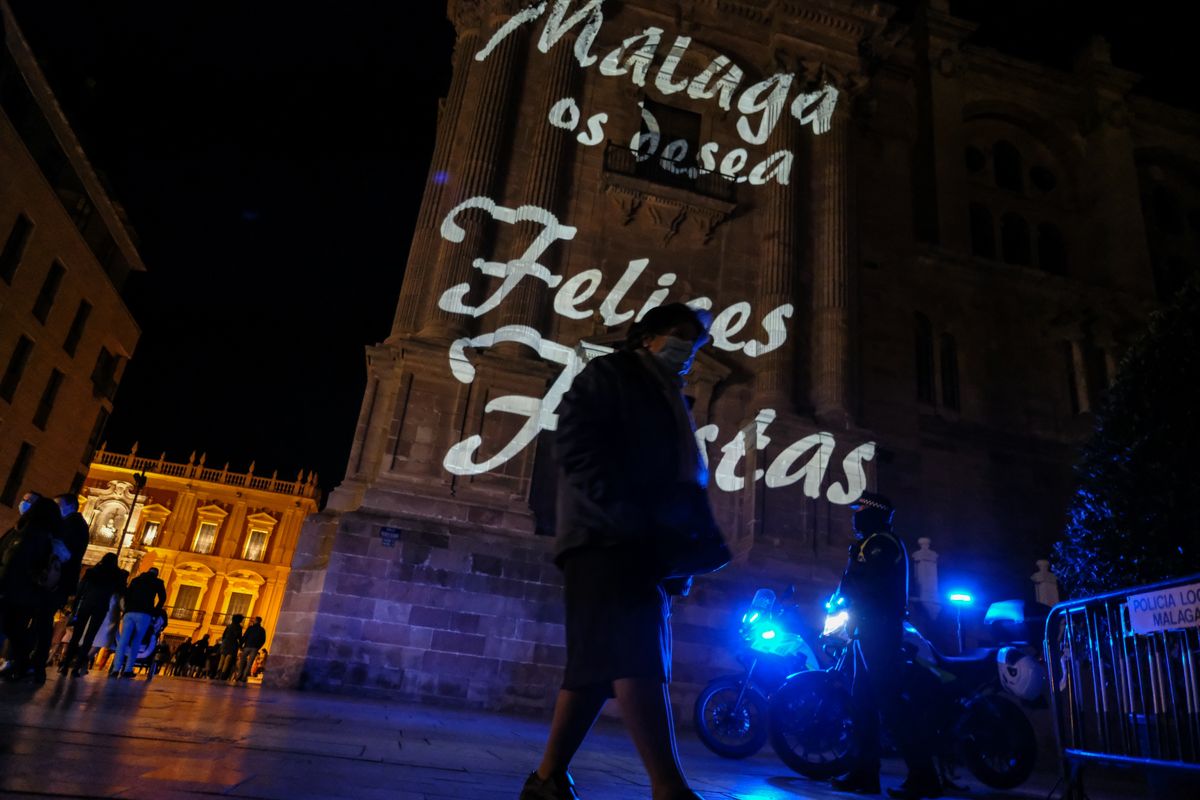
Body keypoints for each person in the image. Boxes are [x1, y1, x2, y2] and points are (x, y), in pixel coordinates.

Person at [521, 303, 716, 800]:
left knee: (597, 665)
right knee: (636, 657)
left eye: (694, 344)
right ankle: (668, 788)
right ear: (646, 336)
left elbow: (678, 481)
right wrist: (623, 515)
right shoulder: (610, 374)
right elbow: (576, 446)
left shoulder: (669, 396)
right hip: (605, 538)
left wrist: (681, 552)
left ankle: (548, 779)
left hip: (642, 544)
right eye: (679, 336)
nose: (687, 350)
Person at [829, 492, 940, 800]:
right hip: (866, 629)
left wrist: (852, 575)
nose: (855, 516)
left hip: (880, 629)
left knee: (890, 702)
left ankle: (924, 775)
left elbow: (868, 585)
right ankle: (865, 773)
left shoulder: (883, 543)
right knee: (862, 702)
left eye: (860, 510)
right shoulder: (868, 544)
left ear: (874, 513)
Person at [0, 493, 63, 682]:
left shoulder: (28, 533)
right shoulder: (50, 537)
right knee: (14, 628)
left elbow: (13, 561)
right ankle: (22, 663)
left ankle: (21, 662)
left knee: (9, 626)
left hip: (13, 589)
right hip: (29, 593)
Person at [60, 553, 127, 676]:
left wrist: (75, 607)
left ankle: (65, 666)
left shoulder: (92, 572)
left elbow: (80, 590)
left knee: (76, 636)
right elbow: (122, 591)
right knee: (89, 638)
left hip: (86, 605)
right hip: (101, 607)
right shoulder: (117, 575)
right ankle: (77, 668)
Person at [110, 566, 166, 678]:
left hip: (130, 612)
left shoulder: (136, 580)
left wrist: (126, 608)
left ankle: (115, 669)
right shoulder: (158, 582)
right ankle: (128, 670)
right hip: (144, 614)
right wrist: (156, 610)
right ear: (156, 574)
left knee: (123, 641)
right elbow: (162, 598)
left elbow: (127, 594)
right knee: (136, 641)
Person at [235, 616, 266, 682]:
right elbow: (263, 640)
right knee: (249, 663)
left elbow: (245, 636)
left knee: (242, 662)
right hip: (254, 648)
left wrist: (240, 645)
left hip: (247, 646)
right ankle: (244, 677)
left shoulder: (250, 628)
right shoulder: (262, 630)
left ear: (256, 621)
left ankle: (239, 676)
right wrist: (258, 647)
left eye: (254, 620)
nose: (253, 621)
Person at [217, 614, 244, 679]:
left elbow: (223, 635)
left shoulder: (229, 626)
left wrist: (224, 641)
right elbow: (239, 637)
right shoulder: (239, 627)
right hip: (233, 643)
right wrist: (241, 646)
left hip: (225, 642)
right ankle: (222, 675)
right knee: (227, 660)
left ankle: (218, 674)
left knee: (222, 659)